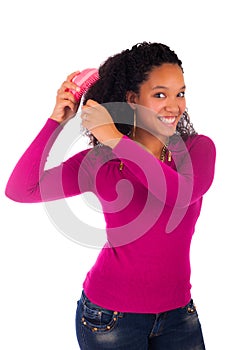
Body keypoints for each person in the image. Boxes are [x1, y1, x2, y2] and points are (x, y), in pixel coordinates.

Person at [5, 42, 216, 349]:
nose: (174, 106)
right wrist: (57, 122)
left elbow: (178, 193)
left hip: (178, 316)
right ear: (132, 99)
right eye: (160, 94)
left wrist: (116, 139)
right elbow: (20, 189)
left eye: (180, 93)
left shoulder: (197, 150)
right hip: (110, 317)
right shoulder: (100, 161)